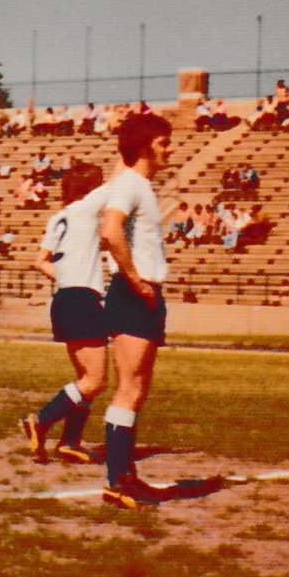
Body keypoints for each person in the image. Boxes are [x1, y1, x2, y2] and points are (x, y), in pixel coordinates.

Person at [98, 112, 188, 508]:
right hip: (135, 292)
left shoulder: (137, 183)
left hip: (144, 292)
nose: (170, 148)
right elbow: (109, 230)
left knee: (136, 390)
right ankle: (118, 481)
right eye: (164, 142)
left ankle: (126, 477)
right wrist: (134, 279)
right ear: (146, 146)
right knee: (128, 388)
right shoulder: (131, 186)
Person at [20, 162, 110, 464]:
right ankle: (40, 420)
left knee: (85, 378)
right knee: (95, 381)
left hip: (64, 298)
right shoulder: (85, 211)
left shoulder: (59, 217)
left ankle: (70, 441)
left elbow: (39, 261)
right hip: (82, 299)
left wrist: (65, 275)